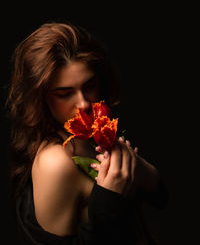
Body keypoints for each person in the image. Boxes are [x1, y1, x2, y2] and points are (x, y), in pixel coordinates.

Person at [7, 21, 169, 245]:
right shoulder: (55, 163)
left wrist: (137, 168)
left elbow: (161, 197)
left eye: (89, 85)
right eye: (64, 93)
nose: (83, 104)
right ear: (40, 98)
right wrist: (108, 202)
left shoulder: (94, 134)